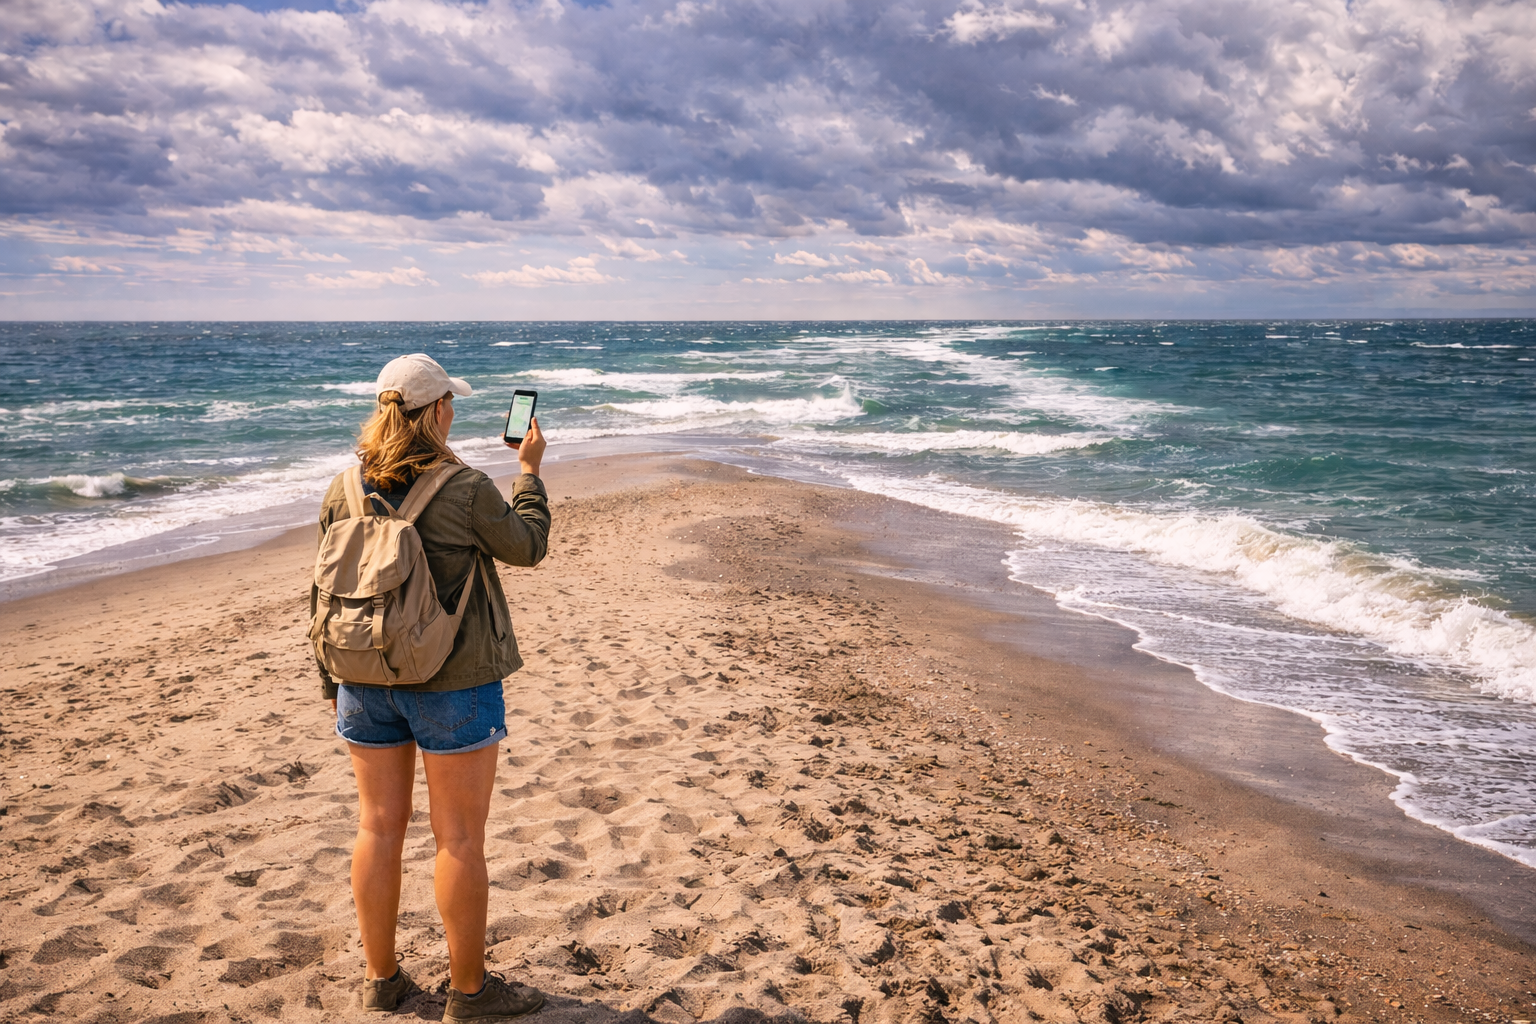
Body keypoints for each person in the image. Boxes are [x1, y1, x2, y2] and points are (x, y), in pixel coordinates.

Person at [312, 353, 550, 1021]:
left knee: (377, 827)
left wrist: (332, 681)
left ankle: (381, 981)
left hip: (362, 678)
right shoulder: (464, 488)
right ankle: (468, 994)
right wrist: (529, 472)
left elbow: (323, 593)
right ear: (439, 411)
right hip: (453, 682)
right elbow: (528, 546)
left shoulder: (342, 488)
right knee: (459, 839)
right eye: (451, 404)